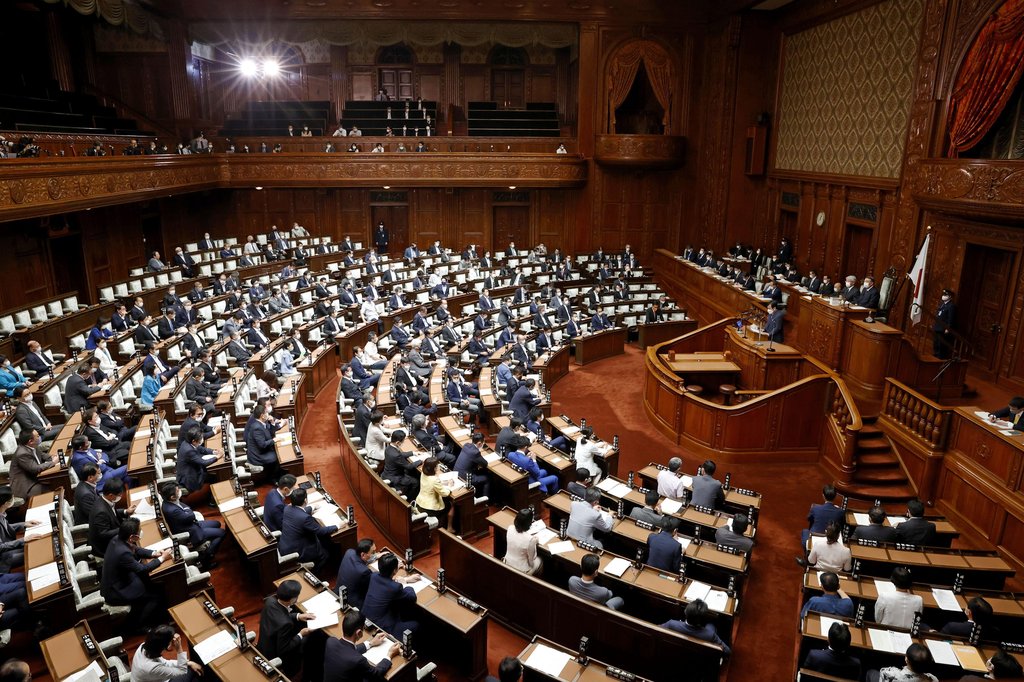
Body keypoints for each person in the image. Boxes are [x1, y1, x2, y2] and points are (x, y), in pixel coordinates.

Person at [101, 518, 172, 633]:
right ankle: (138, 626)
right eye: (139, 531)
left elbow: (135, 549)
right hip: (117, 591)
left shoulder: (117, 539)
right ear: (132, 537)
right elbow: (142, 569)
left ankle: (158, 617)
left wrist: (154, 553)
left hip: (118, 582)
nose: (141, 532)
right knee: (155, 596)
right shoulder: (122, 552)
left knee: (153, 585)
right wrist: (162, 558)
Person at [257, 580, 316, 676]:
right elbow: (284, 649)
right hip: (274, 656)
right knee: (309, 641)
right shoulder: (286, 624)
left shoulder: (270, 601)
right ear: (292, 600)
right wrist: (301, 634)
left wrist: (298, 616)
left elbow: (280, 614)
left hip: (263, 645)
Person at [160, 482, 224, 570]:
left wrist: (188, 512)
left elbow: (185, 508)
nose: (180, 491)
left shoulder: (169, 501)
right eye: (178, 491)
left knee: (217, 523)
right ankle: (207, 556)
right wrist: (188, 512)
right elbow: (191, 515)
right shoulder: (172, 510)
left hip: (192, 524)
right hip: (191, 532)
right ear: (172, 497)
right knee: (222, 533)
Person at [323, 610, 400, 680]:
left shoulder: (331, 641)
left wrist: (370, 643)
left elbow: (347, 651)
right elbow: (376, 673)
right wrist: (389, 654)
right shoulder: (359, 660)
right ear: (359, 633)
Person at [362, 552, 420, 638]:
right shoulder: (395, 587)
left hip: (366, 619)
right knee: (416, 624)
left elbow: (387, 583)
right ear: (395, 570)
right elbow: (412, 597)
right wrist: (404, 583)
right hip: (382, 627)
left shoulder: (373, 576)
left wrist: (404, 579)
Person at [280, 487, 338, 572]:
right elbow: (320, 531)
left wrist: (312, 507)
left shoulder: (287, 508)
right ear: (305, 500)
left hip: (285, 545)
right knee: (325, 554)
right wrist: (337, 526)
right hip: (298, 551)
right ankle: (314, 573)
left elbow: (298, 512)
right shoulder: (305, 518)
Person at [131, 625, 204, 681]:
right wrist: (179, 648)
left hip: (150, 678)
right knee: (190, 671)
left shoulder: (145, 646)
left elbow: (165, 663)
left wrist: (189, 662)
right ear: (163, 646)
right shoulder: (151, 668)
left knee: (192, 671)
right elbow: (182, 671)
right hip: (156, 678)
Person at [661, 599, 730, 655]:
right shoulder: (710, 635)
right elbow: (727, 651)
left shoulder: (672, 624)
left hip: (674, 653)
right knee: (711, 625)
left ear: (685, 612)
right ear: (703, 620)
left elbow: (657, 628)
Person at [9, 429, 56, 500]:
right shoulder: (22, 454)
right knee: (52, 490)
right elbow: (35, 469)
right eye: (37, 436)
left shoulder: (33, 446)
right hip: (26, 486)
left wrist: (53, 457)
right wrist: (53, 462)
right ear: (30, 441)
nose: (39, 437)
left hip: (35, 478)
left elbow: (43, 455)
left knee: (55, 482)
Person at [337, 538, 377, 608]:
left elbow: (360, 561)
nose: (375, 553)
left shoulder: (349, 552)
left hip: (338, 590)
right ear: (363, 554)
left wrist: (375, 556)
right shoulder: (364, 571)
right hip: (351, 602)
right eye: (373, 552)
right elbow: (370, 586)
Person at [415, 457, 452, 530]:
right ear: (434, 468)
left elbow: (431, 485)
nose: (439, 466)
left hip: (420, 503)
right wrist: (449, 486)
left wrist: (443, 483)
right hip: (430, 508)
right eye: (438, 465)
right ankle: (446, 528)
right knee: (450, 504)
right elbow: (445, 493)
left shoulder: (423, 473)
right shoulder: (434, 480)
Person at [869, 643, 938, 682]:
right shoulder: (933, 679)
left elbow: (883, 672)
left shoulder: (892, 676)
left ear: (906, 659)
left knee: (870, 672)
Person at [382, 430, 420, 500]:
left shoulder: (388, 448)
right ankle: (409, 500)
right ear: (398, 442)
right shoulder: (396, 455)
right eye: (403, 441)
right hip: (395, 478)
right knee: (416, 482)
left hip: (387, 473)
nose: (403, 443)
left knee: (411, 474)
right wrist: (421, 460)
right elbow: (409, 466)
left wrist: (412, 453)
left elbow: (400, 454)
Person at [504, 508, 542, 575]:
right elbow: (531, 561)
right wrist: (535, 541)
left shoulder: (510, 528)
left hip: (507, 562)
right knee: (539, 561)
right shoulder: (531, 540)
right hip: (521, 571)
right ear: (529, 523)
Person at [454, 431, 491, 499]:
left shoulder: (466, 445)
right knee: (487, 478)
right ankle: (485, 501)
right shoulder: (475, 453)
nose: (484, 444)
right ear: (479, 443)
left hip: (457, 473)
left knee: (480, 471)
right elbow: (485, 464)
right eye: (483, 442)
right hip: (466, 478)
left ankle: (479, 493)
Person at [933, 289, 956, 359]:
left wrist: (948, 328)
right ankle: (935, 355)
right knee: (936, 342)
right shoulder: (942, 304)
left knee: (941, 344)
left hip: (943, 328)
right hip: (937, 326)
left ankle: (939, 357)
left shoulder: (951, 306)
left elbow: (950, 318)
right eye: (943, 295)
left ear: (950, 297)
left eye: (946, 295)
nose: (944, 296)